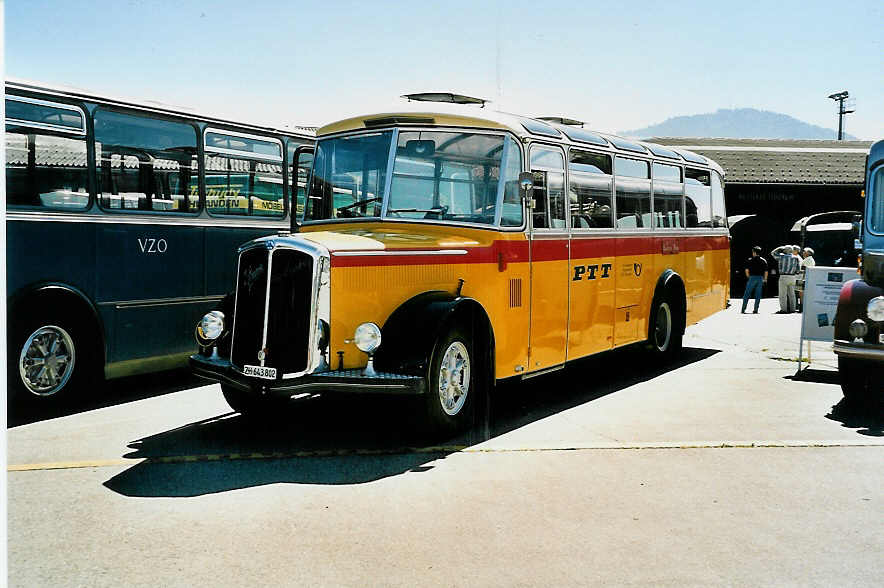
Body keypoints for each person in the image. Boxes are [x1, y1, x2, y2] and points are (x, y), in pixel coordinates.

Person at [771, 244, 801, 313]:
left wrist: (780, 247)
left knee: (782, 294)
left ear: (785, 250)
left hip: (783, 276)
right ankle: (792, 309)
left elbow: (772, 253)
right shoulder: (796, 258)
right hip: (792, 277)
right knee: (792, 294)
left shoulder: (781, 256)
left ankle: (783, 310)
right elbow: (798, 270)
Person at [741, 246, 768, 314]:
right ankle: (755, 310)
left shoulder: (750, 260)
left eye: (753, 252)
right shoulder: (763, 261)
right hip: (760, 278)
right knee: (758, 295)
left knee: (747, 294)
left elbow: (746, 270)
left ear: (754, 252)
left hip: (752, 278)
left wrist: (748, 277)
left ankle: (743, 309)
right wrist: (765, 279)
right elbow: (766, 271)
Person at [796, 247, 815, 312]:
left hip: (804, 278)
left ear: (808, 253)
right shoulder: (808, 259)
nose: (803, 252)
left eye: (804, 251)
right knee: (801, 293)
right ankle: (801, 307)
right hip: (804, 278)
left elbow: (804, 270)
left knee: (801, 293)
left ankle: (802, 307)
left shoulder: (808, 260)